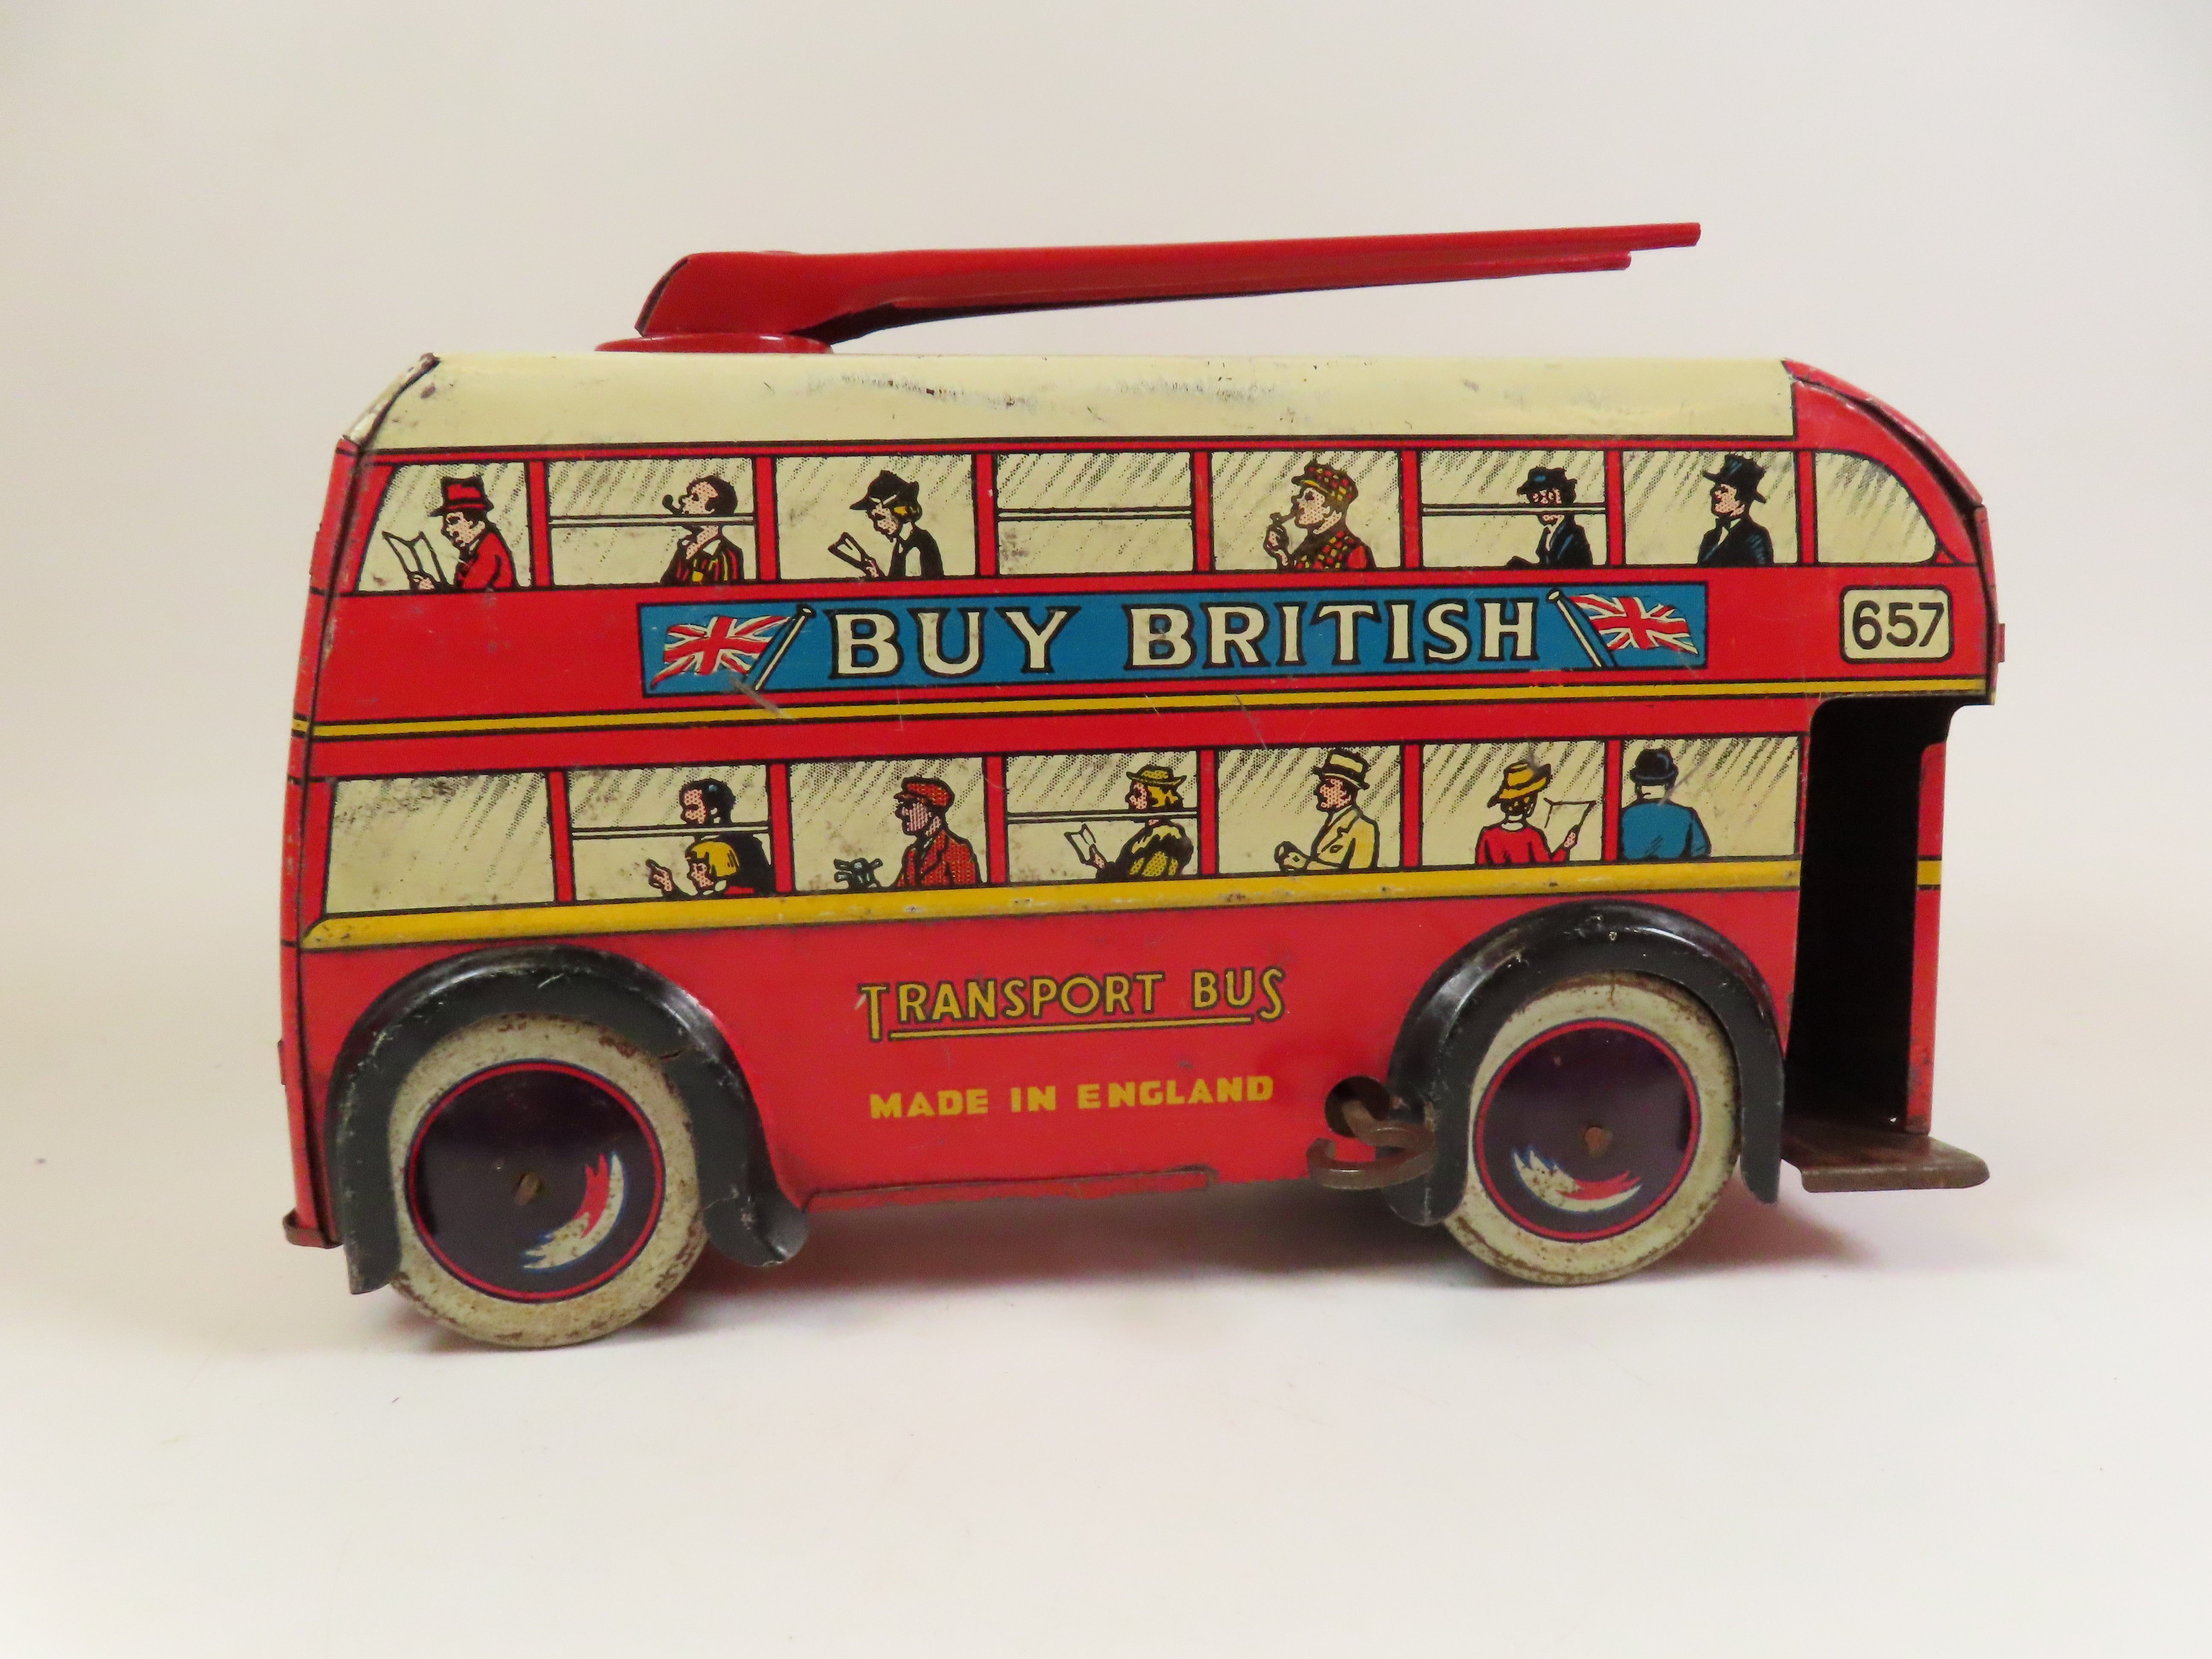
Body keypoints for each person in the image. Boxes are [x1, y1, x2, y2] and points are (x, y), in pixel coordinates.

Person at [646, 778, 773, 896]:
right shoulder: (702, 846)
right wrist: (669, 888)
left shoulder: (745, 845)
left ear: (714, 811)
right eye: (685, 809)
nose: (685, 816)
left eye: (693, 809)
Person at [1082, 764, 1194, 881]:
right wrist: (1098, 862)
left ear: (1154, 799)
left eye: (1137, 794)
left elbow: (1139, 883)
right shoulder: (1146, 835)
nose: (1129, 798)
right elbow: (1123, 874)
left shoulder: (1168, 840)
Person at [1275, 750, 1379, 873]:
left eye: (1328, 785)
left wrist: (1304, 864)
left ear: (1346, 794)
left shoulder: (1365, 828)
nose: (1319, 790)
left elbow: (1360, 879)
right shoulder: (1331, 823)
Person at [1262, 461, 1372, 573]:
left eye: (1309, 498)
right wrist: (1282, 556)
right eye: (1301, 495)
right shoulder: (1307, 546)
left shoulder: (1354, 552)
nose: (1297, 500)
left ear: (1331, 508)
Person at [410, 477, 517, 591]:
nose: (445, 530)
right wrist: (435, 587)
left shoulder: (489, 552)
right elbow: (461, 591)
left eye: (454, 521)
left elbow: (466, 598)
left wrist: (433, 591)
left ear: (475, 522)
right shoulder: (474, 549)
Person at [833, 471, 943, 580]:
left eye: (880, 518)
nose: (877, 526)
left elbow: (915, 590)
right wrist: (876, 573)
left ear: (900, 511)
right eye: (874, 520)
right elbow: (896, 586)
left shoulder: (921, 544)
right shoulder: (900, 546)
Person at [1473, 760, 1579, 865]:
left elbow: (1480, 870)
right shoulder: (1533, 836)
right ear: (1530, 804)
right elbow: (1546, 868)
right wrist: (1565, 847)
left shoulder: (1488, 834)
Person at [1618, 747, 1711, 860]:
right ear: (1669, 785)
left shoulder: (1622, 816)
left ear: (1638, 786)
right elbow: (1701, 856)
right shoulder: (1687, 815)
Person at [890, 776, 981, 888]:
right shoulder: (912, 854)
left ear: (932, 811)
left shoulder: (957, 851)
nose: (901, 813)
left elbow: (969, 896)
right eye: (901, 806)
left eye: (909, 806)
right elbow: (899, 893)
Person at [659, 475, 747, 585]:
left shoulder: (728, 556)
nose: (685, 500)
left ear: (712, 509)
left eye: (695, 498)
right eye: (689, 495)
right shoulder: (686, 547)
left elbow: (729, 593)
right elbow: (667, 585)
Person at [1505, 466, 1593, 569]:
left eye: (1548, 496)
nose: (1543, 503)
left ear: (1561, 497)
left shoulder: (1573, 536)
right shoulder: (1548, 533)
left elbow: (1559, 572)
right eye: (1536, 498)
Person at [1695, 454, 1776, 568]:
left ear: (1742, 502)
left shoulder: (1756, 537)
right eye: (1716, 488)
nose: (1714, 493)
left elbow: (1764, 575)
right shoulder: (1711, 537)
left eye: (1723, 490)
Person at [644, 837, 751, 898]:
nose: (692, 875)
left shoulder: (737, 896)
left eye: (699, 869)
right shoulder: (714, 896)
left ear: (718, 869)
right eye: (692, 868)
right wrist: (669, 887)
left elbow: (693, 912)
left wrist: (670, 888)